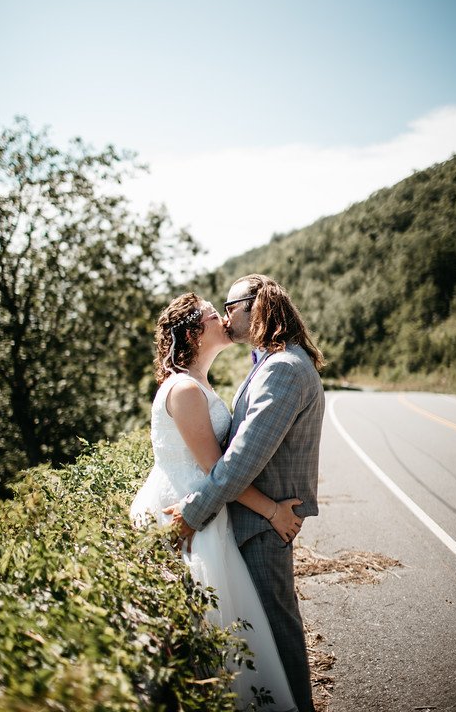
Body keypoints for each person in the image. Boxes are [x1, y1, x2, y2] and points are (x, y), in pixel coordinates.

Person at [130, 291, 302, 711]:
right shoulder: (185, 390)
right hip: (190, 514)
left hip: (208, 509)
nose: (222, 319)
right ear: (192, 332)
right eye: (212, 314)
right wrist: (272, 511)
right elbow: (215, 469)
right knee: (215, 630)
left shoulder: (200, 383)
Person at [165, 274, 325, 712]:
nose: (225, 314)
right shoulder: (273, 363)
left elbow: (242, 460)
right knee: (264, 638)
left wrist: (192, 512)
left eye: (229, 306)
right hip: (254, 521)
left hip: (260, 529)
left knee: (276, 636)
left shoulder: (284, 369)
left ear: (254, 305)